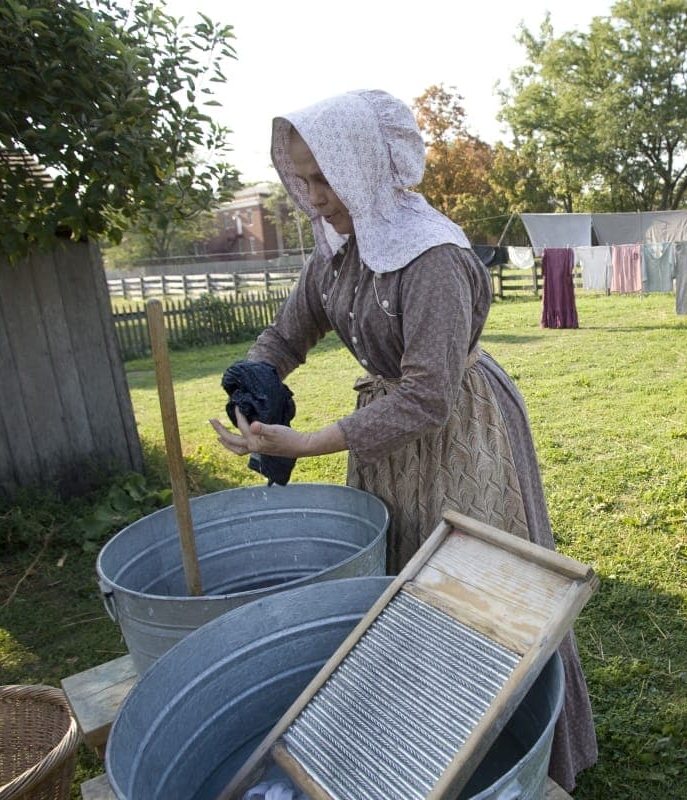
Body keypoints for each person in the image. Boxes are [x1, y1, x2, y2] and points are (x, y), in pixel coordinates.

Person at [209, 89, 598, 791]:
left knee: (482, 592)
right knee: (407, 589)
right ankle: (421, 741)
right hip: (387, 441)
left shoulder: (432, 258)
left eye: (325, 176)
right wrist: (254, 386)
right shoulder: (335, 254)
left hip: (460, 432)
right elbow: (286, 335)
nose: (313, 195)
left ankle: (523, 748)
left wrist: (306, 445)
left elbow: (427, 395)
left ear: (363, 164)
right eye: (302, 177)